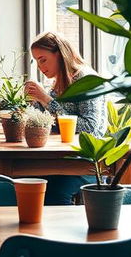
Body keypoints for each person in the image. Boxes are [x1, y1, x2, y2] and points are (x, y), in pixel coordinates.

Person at [25, 31, 106, 204]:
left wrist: (46, 100)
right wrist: (36, 102)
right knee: (26, 183)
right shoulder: (59, 82)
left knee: (52, 193)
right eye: (37, 61)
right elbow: (49, 119)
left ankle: (58, 228)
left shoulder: (87, 80)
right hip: (60, 157)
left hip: (86, 160)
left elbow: (89, 127)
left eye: (43, 59)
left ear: (60, 54)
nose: (40, 66)